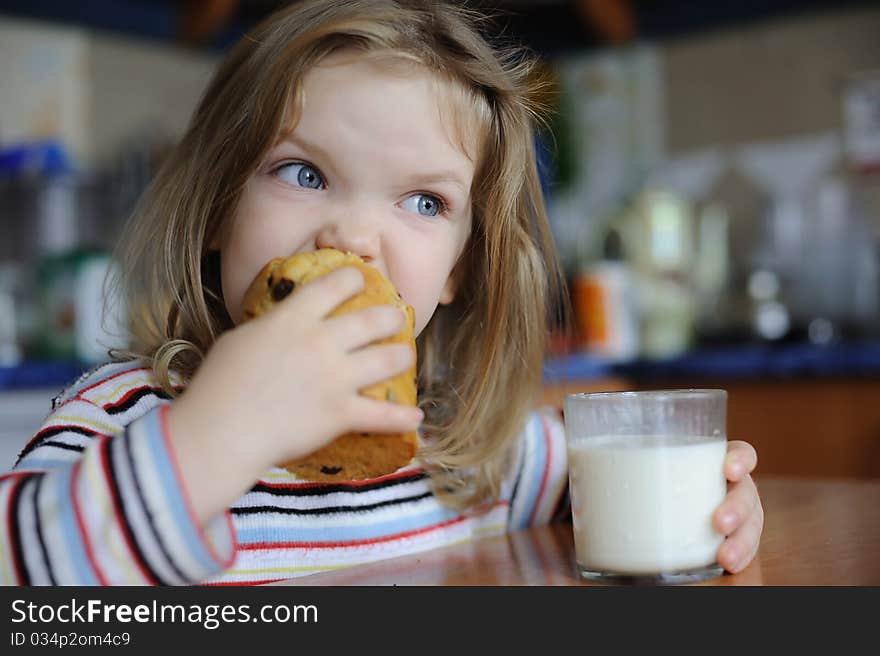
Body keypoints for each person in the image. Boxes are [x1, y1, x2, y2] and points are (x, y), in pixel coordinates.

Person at [0, 0, 762, 585]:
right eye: (304, 173)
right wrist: (215, 436)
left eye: (424, 202)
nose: (356, 239)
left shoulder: (474, 449)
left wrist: (716, 511)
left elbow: (625, 496)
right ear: (216, 207)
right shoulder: (125, 419)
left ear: (462, 267)